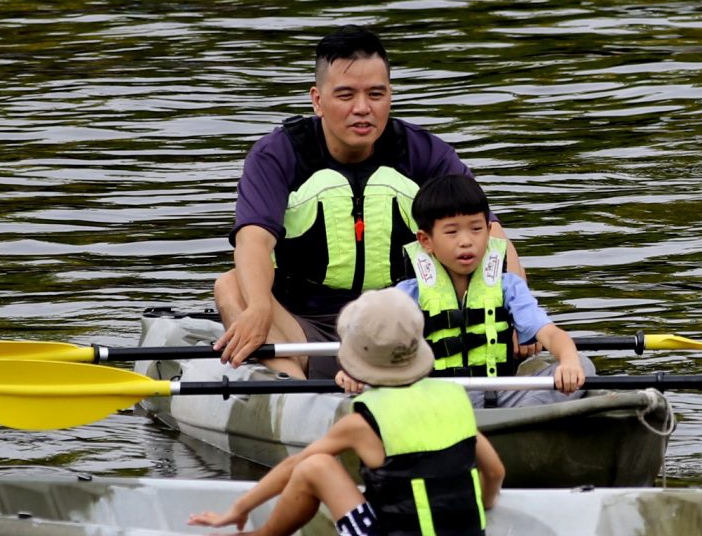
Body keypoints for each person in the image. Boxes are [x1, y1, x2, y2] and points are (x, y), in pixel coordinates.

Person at [216, 26, 515, 380]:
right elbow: (254, 240)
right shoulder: (277, 155)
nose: (362, 109)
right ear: (317, 100)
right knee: (231, 285)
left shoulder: (423, 153)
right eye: (345, 95)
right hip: (304, 329)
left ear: (390, 95)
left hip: (401, 323)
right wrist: (261, 307)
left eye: (376, 94)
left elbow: (491, 235)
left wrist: (516, 315)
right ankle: (296, 393)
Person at [189, 288, 504, 536]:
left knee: (314, 466)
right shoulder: (453, 397)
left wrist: (238, 509)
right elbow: (495, 472)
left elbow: (290, 467)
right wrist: (484, 508)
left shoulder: (363, 420)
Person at [386, 174, 583, 400]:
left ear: (490, 232)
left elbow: (550, 334)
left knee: (582, 365)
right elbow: (372, 346)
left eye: (476, 229)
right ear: (425, 240)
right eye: (452, 232)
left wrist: (569, 361)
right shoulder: (406, 294)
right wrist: (356, 374)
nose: (466, 241)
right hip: (431, 402)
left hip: (498, 399)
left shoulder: (508, 286)